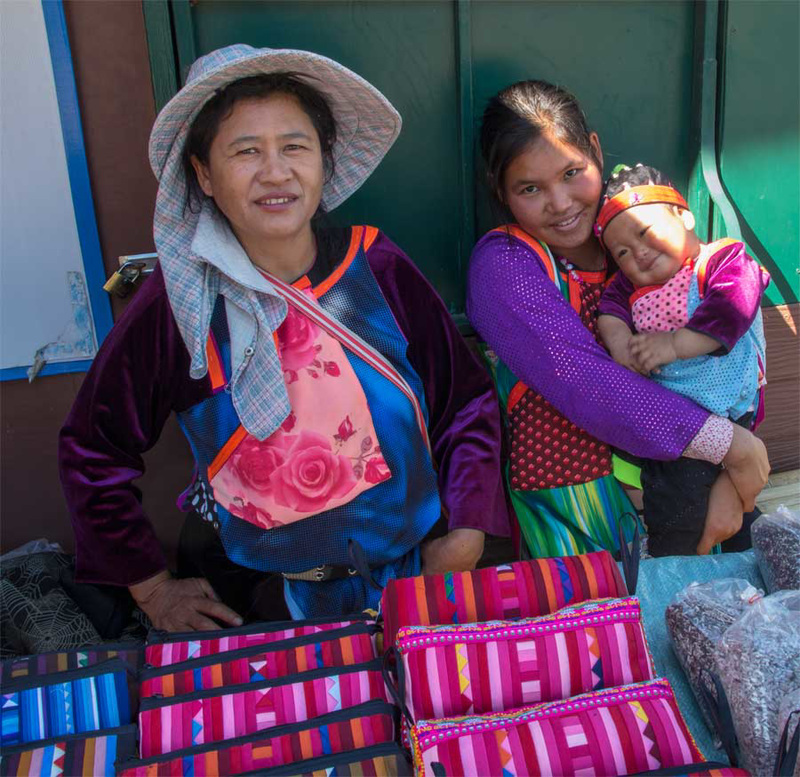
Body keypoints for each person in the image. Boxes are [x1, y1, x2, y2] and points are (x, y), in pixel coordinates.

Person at [59, 45, 507, 632]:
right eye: (245, 151)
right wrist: (151, 589)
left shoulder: (375, 265)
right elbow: (93, 448)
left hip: (414, 583)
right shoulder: (179, 302)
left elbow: (464, 402)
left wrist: (466, 535)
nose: (275, 172)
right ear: (203, 175)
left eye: (294, 146)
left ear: (324, 160)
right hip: (259, 607)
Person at [466, 79, 769, 559]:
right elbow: (584, 381)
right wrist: (730, 446)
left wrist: (735, 482)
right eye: (530, 188)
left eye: (571, 173)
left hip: (697, 485)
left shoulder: (643, 245)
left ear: (595, 150)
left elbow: (732, 357)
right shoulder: (505, 265)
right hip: (578, 515)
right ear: (499, 191)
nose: (561, 204)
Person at [595, 163, 769, 556]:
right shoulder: (630, 287)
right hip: (674, 423)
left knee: (687, 504)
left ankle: (684, 562)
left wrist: (674, 345)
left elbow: (734, 307)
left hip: (728, 412)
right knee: (673, 491)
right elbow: (609, 309)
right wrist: (620, 344)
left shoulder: (720, 261)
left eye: (646, 231)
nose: (638, 251)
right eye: (622, 251)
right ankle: (691, 555)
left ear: (685, 216)